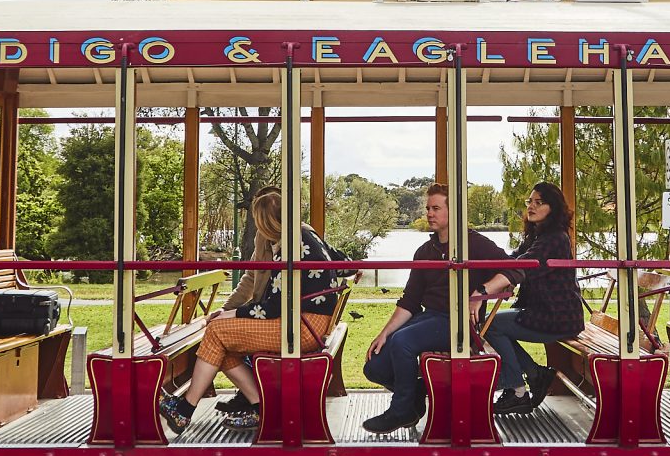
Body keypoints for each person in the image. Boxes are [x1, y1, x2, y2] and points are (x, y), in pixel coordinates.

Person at [162, 190, 340, 434]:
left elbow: (274, 307)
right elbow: (339, 262)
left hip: (302, 327)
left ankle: (185, 410)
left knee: (216, 331)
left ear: (266, 222)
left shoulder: (291, 247)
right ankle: (257, 406)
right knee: (219, 343)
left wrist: (230, 314)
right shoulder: (304, 235)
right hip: (309, 322)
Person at [361, 183, 508, 435]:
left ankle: (401, 411)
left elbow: (516, 268)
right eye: (428, 208)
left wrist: (481, 293)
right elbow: (409, 301)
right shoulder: (425, 252)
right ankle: (416, 394)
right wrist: (384, 333)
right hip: (429, 317)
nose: (430, 213)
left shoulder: (475, 244)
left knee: (403, 342)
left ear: (454, 212)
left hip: (459, 321)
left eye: (436, 208)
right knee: (375, 365)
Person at [482, 180, 585, 417]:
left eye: (539, 202)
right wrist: (484, 263)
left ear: (553, 207)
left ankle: (518, 390)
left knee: (491, 325)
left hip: (558, 316)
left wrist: (486, 288)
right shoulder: (537, 236)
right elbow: (512, 260)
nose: (532, 206)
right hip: (543, 312)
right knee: (490, 323)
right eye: (530, 201)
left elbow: (522, 268)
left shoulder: (555, 238)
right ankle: (533, 374)